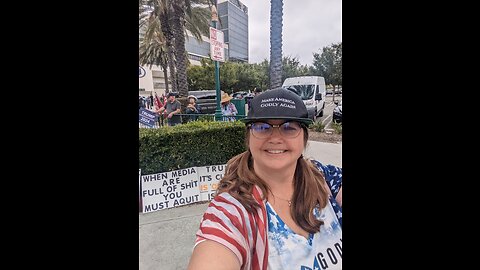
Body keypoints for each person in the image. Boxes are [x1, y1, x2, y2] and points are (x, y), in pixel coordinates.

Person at [187, 87, 342, 270]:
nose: (275, 137)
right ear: (248, 138)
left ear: (304, 139)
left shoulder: (324, 177)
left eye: (289, 127)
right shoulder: (232, 211)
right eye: (262, 127)